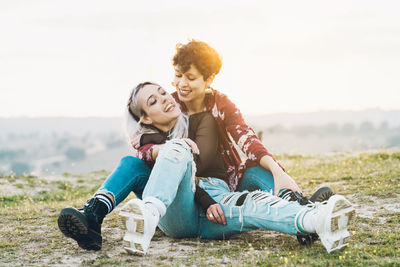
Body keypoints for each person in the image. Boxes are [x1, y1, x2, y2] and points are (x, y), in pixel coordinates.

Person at [118, 82, 355, 254]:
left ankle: (316, 219)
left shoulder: (200, 121)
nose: (166, 97)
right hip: (179, 211)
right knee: (177, 149)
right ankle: (148, 216)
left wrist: (277, 171)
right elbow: (178, 177)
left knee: (253, 203)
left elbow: (221, 154)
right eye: (154, 101)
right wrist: (205, 200)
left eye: (162, 92)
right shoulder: (150, 145)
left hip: (217, 204)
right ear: (146, 118)